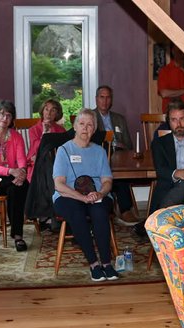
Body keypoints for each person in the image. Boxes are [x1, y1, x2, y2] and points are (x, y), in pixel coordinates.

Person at [53, 109, 121, 282]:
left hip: (96, 195)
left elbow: (107, 181)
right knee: (77, 214)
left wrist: (100, 193)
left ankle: (106, 263)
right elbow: (59, 184)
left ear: (94, 129)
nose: (85, 128)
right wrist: (81, 197)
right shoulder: (64, 150)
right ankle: (93, 263)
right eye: (81, 124)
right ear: (75, 127)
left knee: (99, 212)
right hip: (68, 196)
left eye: (90, 125)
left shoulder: (99, 152)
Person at [0, 101, 31, 252]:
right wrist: (12, 171)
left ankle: (17, 235)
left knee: (18, 187)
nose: (5, 117)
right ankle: (18, 235)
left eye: (9, 115)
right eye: (2, 114)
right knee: (16, 185)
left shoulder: (16, 137)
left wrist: (22, 172)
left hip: (12, 180)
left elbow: (22, 160)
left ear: (12, 120)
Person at [149, 101, 184, 211]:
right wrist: (179, 173)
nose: (178, 124)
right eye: (174, 120)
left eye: (182, 119)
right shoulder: (159, 143)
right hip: (169, 186)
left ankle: (161, 213)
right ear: (169, 122)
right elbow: (160, 170)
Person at [92, 85, 137, 221]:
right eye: (102, 97)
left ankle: (124, 210)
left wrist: (120, 145)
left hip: (119, 156)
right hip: (99, 157)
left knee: (120, 172)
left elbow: (129, 145)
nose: (105, 101)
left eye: (108, 98)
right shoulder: (90, 117)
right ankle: (120, 209)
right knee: (111, 173)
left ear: (111, 100)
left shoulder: (119, 119)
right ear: (96, 99)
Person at [28, 99, 66, 187]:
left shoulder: (61, 130)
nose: (48, 113)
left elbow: (63, 151)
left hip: (55, 164)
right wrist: (44, 133)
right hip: (38, 165)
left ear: (57, 114)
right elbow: (37, 149)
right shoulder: (33, 130)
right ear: (42, 111)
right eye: (46, 109)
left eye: (53, 110)